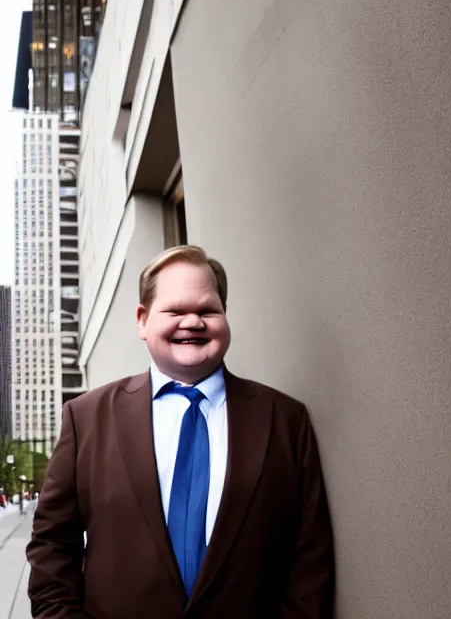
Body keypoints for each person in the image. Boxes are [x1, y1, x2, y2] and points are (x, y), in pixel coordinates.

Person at [27, 245, 334, 618]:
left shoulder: (285, 419)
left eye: (208, 310)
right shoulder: (86, 418)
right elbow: (52, 546)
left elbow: (310, 555)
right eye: (175, 310)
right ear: (142, 320)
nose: (193, 322)